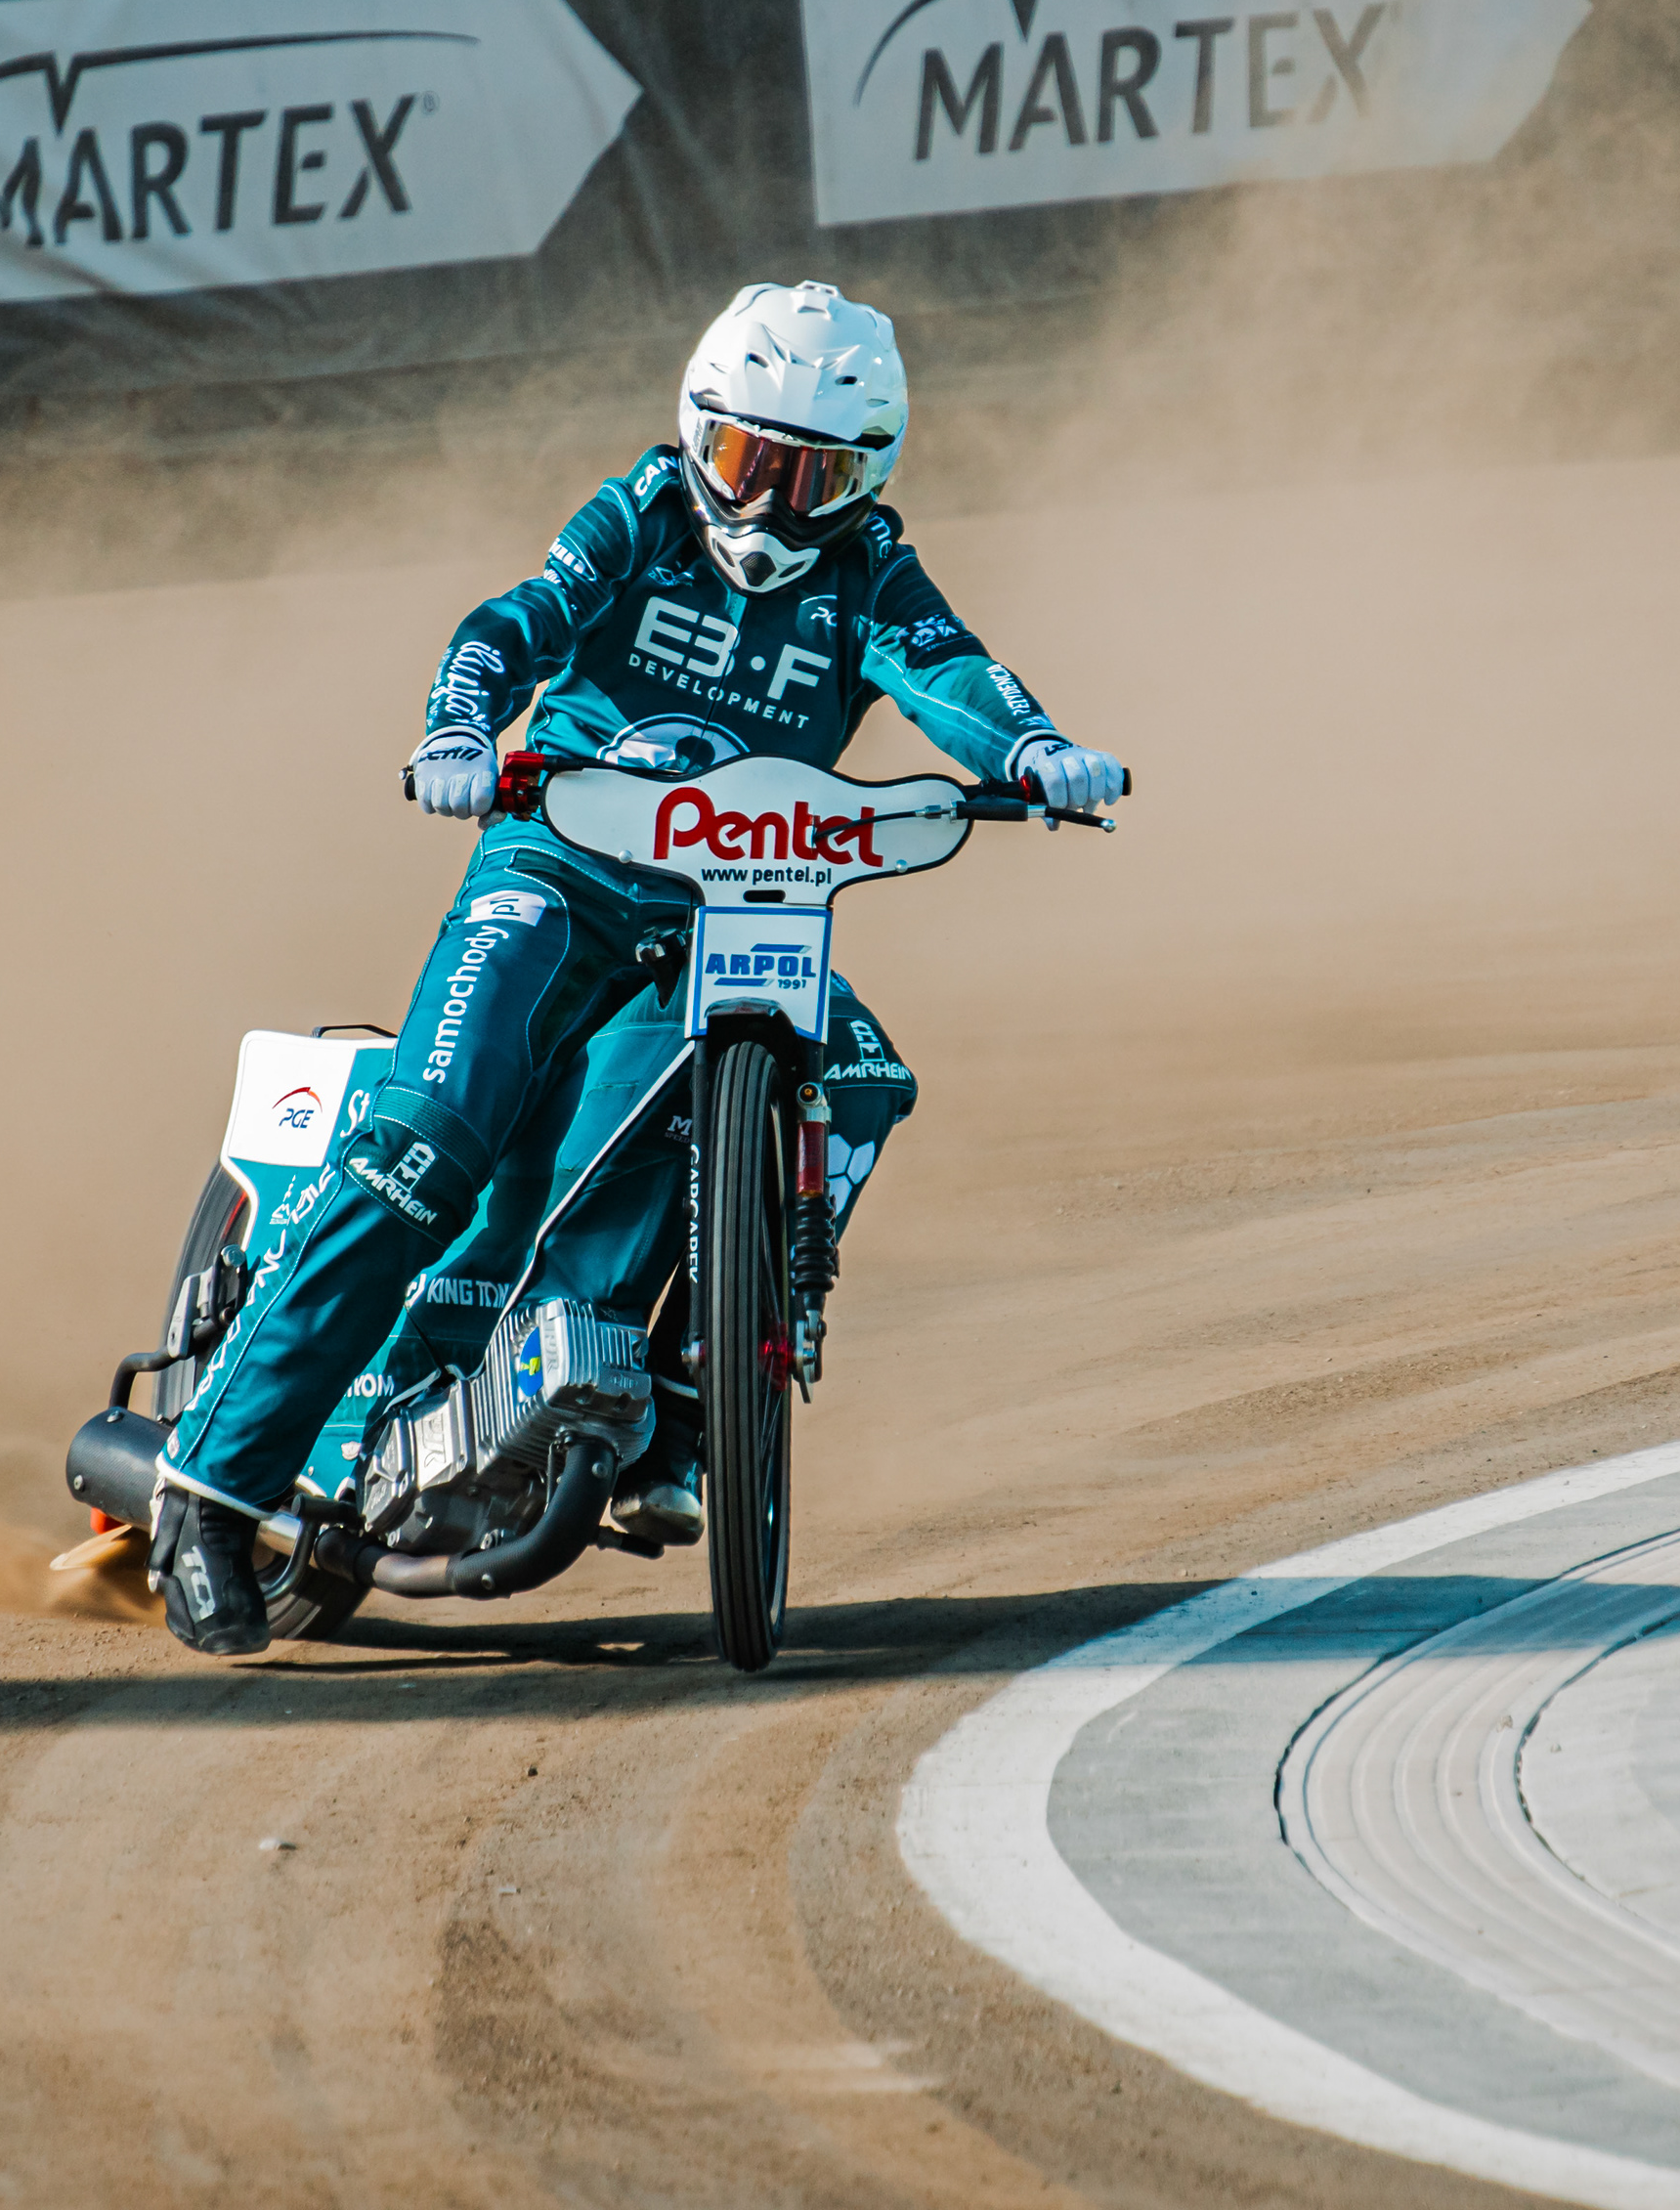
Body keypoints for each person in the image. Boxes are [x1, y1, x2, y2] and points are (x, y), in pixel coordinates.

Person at [151, 281, 1127, 1654]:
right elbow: (515, 622)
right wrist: (461, 728)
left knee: (858, 1073)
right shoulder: (644, 512)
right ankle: (207, 1498)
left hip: (744, 908)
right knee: (426, 1143)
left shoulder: (871, 568)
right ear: (696, 431)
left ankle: (684, 1397)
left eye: (811, 475)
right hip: (554, 871)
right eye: (744, 457)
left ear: (868, 479)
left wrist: (1031, 749)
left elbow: (947, 669)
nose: (769, 502)